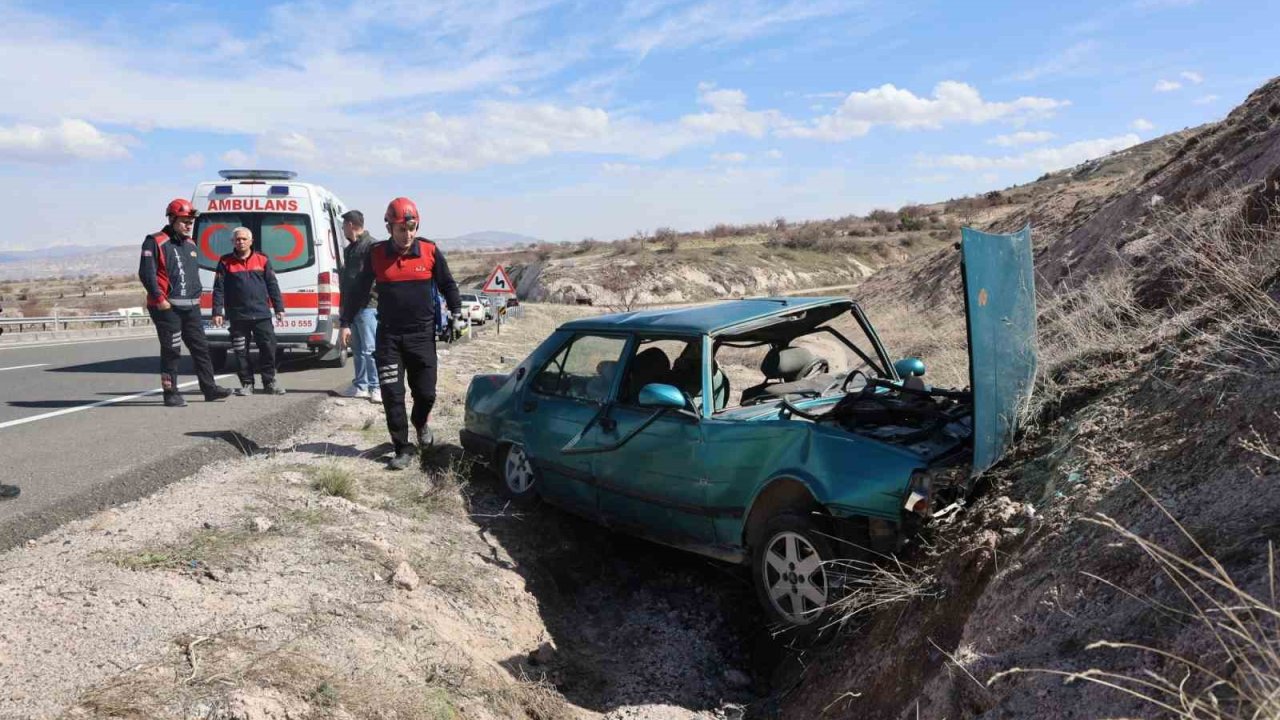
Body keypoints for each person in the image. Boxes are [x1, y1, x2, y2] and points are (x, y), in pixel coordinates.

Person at [340, 197, 462, 471]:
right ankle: (402, 448)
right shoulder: (377, 254)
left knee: (426, 393)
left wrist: (456, 312)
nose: (407, 234)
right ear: (389, 228)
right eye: (400, 229)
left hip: (422, 336)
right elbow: (359, 290)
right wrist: (345, 321)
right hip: (389, 337)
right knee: (392, 394)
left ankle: (421, 424)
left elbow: (448, 284)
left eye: (411, 228)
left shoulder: (430, 251)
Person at [138, 198, 232, 407]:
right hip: (166, 307)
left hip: (191, 307)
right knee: (172, 350)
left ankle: (210, 389)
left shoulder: (190, 244)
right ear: (172, 219)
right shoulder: (155, 241)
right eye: (184, 221)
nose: (189, 225)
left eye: (191, 221)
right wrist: (160, 299)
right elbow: (147, 273)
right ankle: (170, 392)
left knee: (201, 348)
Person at [211, 226, 287, 395]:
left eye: (244, 239)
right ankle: (247, 384)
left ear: (251, 241)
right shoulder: (225, 262)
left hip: (261, 314)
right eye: (237, 239)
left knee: (268, 348)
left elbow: (272, 285)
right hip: (238, 316)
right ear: (233, 242)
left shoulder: (263, 260)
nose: (241, 242)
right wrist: (217, 311)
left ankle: (269, 382)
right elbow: (218, 289)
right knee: (240, 351)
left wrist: (279, 307)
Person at [338, 210, 380, 403]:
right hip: (353, 306)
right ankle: (361, 386)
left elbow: (372, 279)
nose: (343, 228)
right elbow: (348, 281)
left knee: (370, 349)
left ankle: (376, 387)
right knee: (357, 349)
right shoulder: (350, 249)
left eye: (344, 225)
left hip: (368, 305)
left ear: (351, 225)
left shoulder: (371, 246)